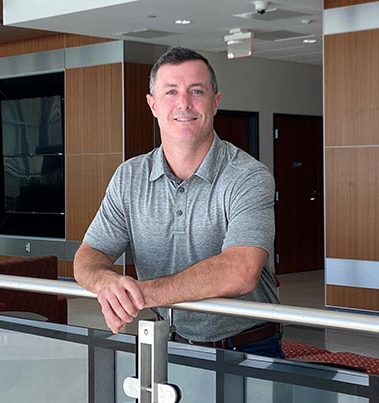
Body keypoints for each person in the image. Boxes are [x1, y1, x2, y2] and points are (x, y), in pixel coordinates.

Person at [73, 46, 282, 358]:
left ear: (215, 102)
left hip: (249, 346)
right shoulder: (129, 176)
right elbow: (88, 257)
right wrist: (107, 283)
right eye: (171, 92)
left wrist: (140, 294)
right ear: (153, 105)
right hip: (169, 341)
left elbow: (241, 271)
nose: (184, 103)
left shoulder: (248, 176)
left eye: (196, 91)